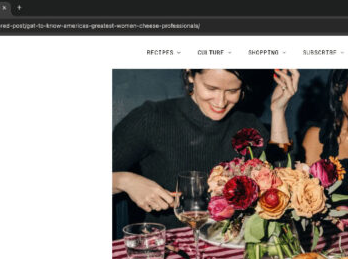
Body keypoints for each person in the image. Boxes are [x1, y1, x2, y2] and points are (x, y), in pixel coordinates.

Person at [112, 68, 299, 228]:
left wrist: (278, 112)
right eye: (211, 88)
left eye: (232, 91)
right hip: (167, 248)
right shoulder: (151, 118)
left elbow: (282, 180)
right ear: (190, 75)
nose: (221, 102)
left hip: (227, 250)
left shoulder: (247, 124)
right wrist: (124, 181)